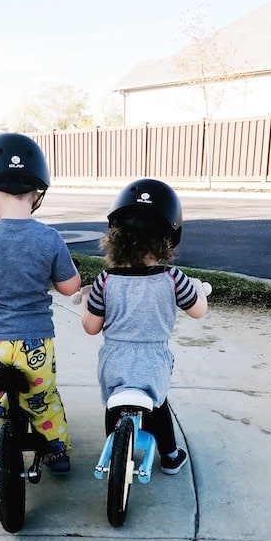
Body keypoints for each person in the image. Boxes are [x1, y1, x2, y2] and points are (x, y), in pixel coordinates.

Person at [0, 133, 81, 483]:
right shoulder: (50, 238)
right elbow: (70, 287)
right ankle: (55, 449)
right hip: (36, 342)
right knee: (42, 398)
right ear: (37, 194)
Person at [80, 178, 207, 474]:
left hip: (115, 361)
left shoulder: (105, 280)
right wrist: (198, 288)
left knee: (114, 405)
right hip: (153, 360)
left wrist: (87, 301)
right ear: (169, 238)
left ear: (116, 238)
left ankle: (114, 450)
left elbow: (90, 327)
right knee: (158, 405)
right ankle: (171, 455)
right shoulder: (174, 279)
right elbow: (198, 311)